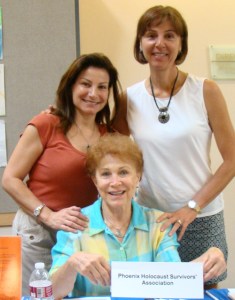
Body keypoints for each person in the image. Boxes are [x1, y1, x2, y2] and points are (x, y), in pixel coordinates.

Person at [111, 5, 235, 288]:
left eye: (170, 35)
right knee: (150, 292)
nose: (160, 43)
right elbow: (110, 157)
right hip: (150, 220)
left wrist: (192, 206)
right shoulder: (128, 99)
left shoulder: (205, 90)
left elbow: (232, 160)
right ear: (140, 44)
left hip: (201, 217)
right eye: (151, 35)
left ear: (181, 45)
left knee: (203, 290)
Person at [49, 133, 227, 298]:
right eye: (105, 174)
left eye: (124, 172)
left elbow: (172, 282)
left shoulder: (158, 224)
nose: (115, 182)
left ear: (138, 176)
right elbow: (50, 293)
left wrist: (207, 261)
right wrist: (72, 263)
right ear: (95, 180)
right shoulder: (75, 224)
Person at [1, 53, 122, 295]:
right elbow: (10, 179)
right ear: (71, 86)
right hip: (39, 232)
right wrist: (47, 215)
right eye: (85, 84)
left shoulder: (109, 135)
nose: (93, 93)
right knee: (38, 297)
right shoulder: (46, 124)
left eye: (102, 87)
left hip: (81, 235)